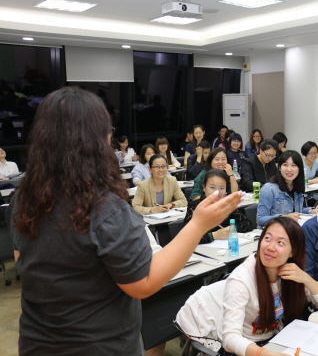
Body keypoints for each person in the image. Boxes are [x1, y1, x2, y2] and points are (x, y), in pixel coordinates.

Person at [7, 86, 242, 355]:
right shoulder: (102, 208)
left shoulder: (22, 199)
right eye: (107, 132)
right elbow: (144, 283)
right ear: (94, 140)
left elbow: (22, 260)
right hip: (100, 346)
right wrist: (198, 224)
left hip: (37, 343)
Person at [220, 217, 318, 356]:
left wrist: (306, 278)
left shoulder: (288, 272)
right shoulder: (241, 280)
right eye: (267, 238)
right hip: (245, 349)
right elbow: (230, 339)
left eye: (280, 242)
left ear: (292, 252)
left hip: (275, 341)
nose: (270, 247)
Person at [183, 169, 252, 243]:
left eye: (222, 188)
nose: (217, 192)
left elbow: (248, 224)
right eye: (212, 187)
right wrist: (215, 235)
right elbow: (187, 236)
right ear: (204, 187)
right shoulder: (195, 206)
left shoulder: (227, 205)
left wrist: (233, 228)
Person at [257, 150, 318, 228]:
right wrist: (284, 218)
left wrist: (310, 211)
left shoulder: (297, 186)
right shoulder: (269, 189)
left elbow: (296, 211)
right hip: (273, 232)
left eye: (293, 165)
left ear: (299, 169)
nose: (289, 169)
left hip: (291, 230)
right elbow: (260, 219)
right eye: (285, 165)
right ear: (279, 168)